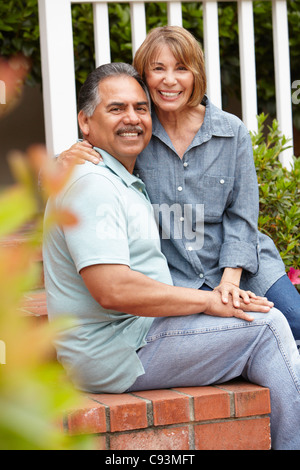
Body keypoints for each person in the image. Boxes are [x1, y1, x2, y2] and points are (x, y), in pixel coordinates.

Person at [43, 62, 300, 450]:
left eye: (140, 108)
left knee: (262, 321)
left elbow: (241, 216)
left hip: (134, 335)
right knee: (266, 327)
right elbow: (112, 289)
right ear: (85, 121)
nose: (132, 118)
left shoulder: (120, 177)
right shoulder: (93, 184)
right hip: (118, 350)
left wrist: (225, 291)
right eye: (116, 109)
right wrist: (210, 301)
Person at [58, 26, 300, 346]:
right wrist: (60, 161)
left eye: (181, 69)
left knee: (294, 322)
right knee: (243, 340)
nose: (170, 80)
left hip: (243, 267)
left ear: (195, 75)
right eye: (158, 68)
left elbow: (242, 216)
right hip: (177, 278)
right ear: (144, 76)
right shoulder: (135, 132)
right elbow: (84, 152)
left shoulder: (231, 132)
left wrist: (230, 281)